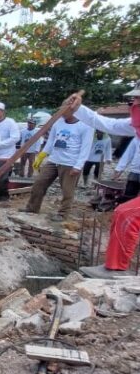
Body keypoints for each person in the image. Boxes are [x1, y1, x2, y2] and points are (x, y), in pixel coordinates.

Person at [64, 88, 140, 273]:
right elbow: (109, 124)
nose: (134, 104)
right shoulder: (135, 125)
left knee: (126, 214)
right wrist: (79, 108)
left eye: (138, 99)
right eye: (134, 100)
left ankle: (116, 267)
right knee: (124, 213)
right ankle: (115, 265)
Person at [22, 112, 93, 221]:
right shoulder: (58, 123)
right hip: (53, 160)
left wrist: (78, 166)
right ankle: (32, 207)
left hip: (70, 163)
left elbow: (86, 148)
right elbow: (51, 141)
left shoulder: (85, 126)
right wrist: (42, 155)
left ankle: (63, 214)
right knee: (39, 183)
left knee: (67, 190)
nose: (62, 112)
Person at [114, 137, 140, 202]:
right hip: (135, 171)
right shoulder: (137, 138)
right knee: (128, 195)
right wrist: (119, 168)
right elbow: (128, 154)